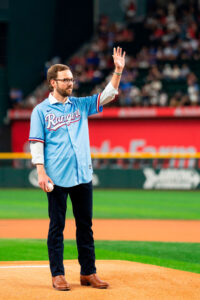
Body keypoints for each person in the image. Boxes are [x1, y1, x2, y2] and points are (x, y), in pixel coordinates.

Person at [29, 47, 126, 291]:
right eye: (66, 80)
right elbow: (37, 143)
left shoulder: (80, 105)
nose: (71, 82)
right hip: (57, 177)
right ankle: (58, 274)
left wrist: (117, 71)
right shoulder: (41, 111)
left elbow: (108, 94)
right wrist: (40, 171)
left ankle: (88, 272)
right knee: (57, 227)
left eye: (72, 79)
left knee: (85, 225)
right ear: (53, 82)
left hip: (82, 174)